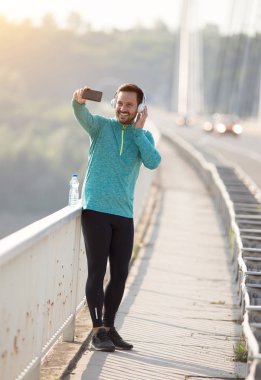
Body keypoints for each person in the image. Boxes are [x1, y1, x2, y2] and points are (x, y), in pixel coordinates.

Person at [72, 83, 161, 352]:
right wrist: (77, 100)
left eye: (130, 105)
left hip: (124, 213)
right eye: (120, 103)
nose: (123, 108)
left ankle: (109, 328)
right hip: (96, 210)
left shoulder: (142, 137)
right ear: (114, 103)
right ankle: (97, 331)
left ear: (139, 108)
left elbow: (153, 162)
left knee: (120, 274)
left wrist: (137, 132)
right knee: (97, 272)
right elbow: (81, 113)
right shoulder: (100, 127)